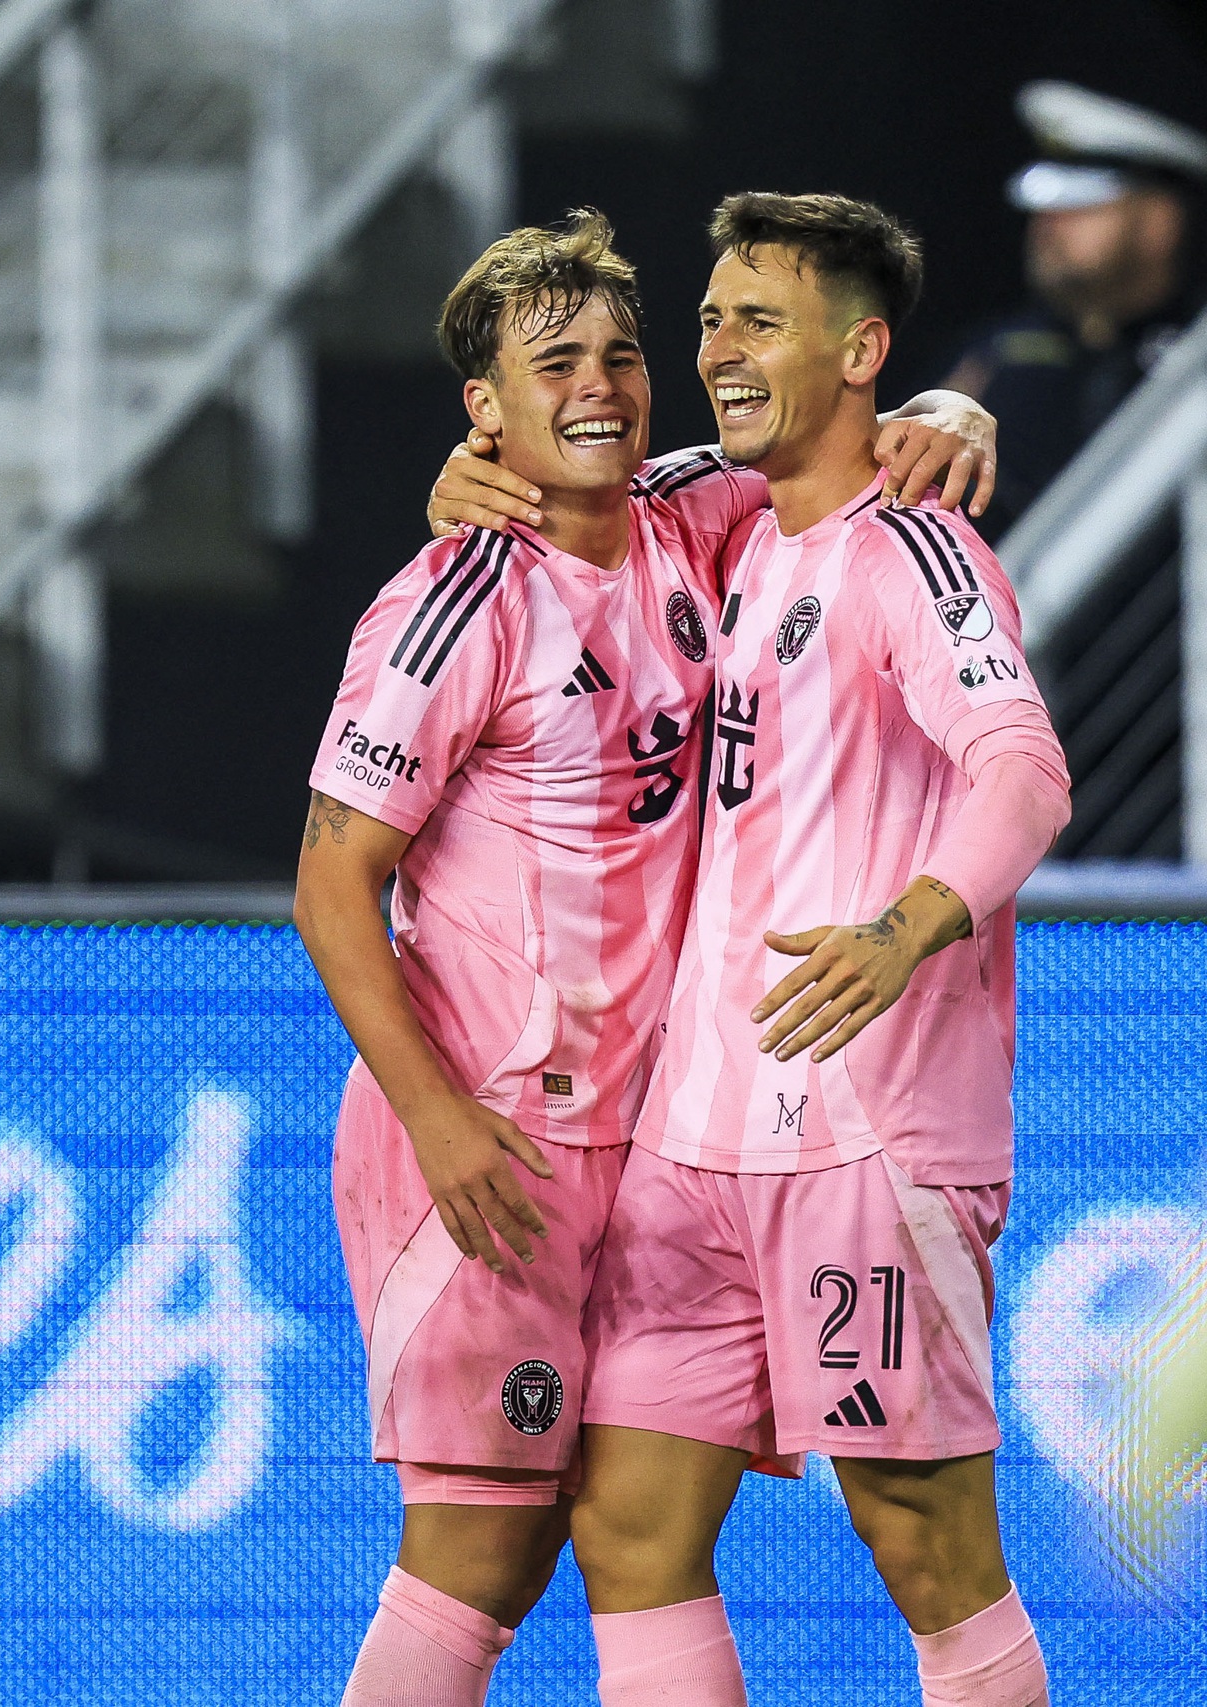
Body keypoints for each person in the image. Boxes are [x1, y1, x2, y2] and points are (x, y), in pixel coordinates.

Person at [293, 211, 994, 1707]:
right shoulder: (455, 597)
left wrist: (946, 410)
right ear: (484, 406)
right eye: (555, 365)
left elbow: (826, 449)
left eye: (622, 352)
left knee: (618, 1529)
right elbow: (330, 882)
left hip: (653, 1134)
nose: (602, 384)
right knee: (476, 1550)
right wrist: (434, 1118)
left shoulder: (692, 520)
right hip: (486, 1130)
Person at [562, 195, 1068, 1707]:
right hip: (695, 1141)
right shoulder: (729, 532)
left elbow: (1025, 771)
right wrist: (473, 475)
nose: (716, 347)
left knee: (922, 1542)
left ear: (861, 352)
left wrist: (906, 928)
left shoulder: (911, 549)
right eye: (710, 316)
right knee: (627, 1524)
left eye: (757, 320)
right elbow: (581, 476)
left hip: (865, 1138)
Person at [943, 81, 1207, 533]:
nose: (1049, 222)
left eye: (1081, 202)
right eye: (1046, 202)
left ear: (1158, 222)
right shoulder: (990, 355)